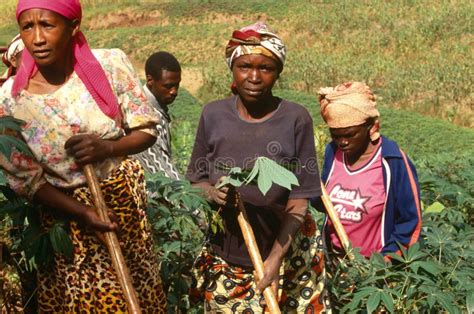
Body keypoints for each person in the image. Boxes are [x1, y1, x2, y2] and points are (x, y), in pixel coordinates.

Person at [0, 0, 166, 311]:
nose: (37, 38)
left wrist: (109, 147)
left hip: (120, 206)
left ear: (73, 27)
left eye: (47, 25)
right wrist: (82, 213)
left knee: (137, 298)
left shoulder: (108, 66)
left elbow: (146, 130)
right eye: (27, 27)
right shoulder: (9, 101)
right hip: (64, 221)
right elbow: (28, 182)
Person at [187, 22, 328, 313]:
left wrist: (275, 259)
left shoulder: (295, 119)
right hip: (226, 256)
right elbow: (196, 180)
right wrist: (213, 194)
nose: (253, 76)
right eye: (244, 66)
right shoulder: (213, 115)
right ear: (232, 69)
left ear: (277, 72)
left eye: (265, 68)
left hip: (287, 254)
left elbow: (300, 198)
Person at [315, 82, 422, 259]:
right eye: (336, 135)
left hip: (374, 267)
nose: (342, 142)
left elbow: (410, 221)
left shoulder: (392, 160)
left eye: (350, 135)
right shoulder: (332, 152)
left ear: (370, 127)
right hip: (333, 260)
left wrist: (385, 263)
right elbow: (321, 202)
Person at [135, 51, 181, 179]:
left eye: (177, 85)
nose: (174, 92)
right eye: (168, 86)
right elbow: (163, 175)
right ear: (150, 80)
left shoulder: (154, 107)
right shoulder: (149, 118)